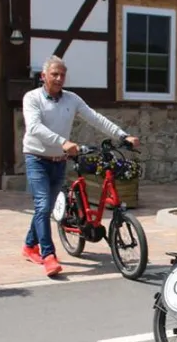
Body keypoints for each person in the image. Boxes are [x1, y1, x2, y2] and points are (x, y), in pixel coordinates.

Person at [21, 55, 139, 277]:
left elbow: (95, 118)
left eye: (62, 75)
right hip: (36, 158)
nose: (59, 78)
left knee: (43, 208)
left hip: (58, 161)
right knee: (44, 205)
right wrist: (63, 142)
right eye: (54, 74)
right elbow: (34, 127)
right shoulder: (32, 98)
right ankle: (48, 256)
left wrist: (123, 135)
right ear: (43, 76)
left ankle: (29, 246)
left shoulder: (71, 99)